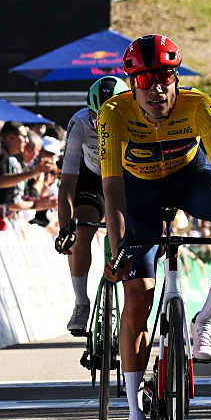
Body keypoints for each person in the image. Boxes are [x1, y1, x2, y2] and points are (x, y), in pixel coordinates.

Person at [98, 34, 211, 420]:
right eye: (144, 80)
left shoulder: (200, 107)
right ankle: (134, 416)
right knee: (137, 298)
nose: (155, 89)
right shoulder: (113, 113)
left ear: (176, 77)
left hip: (192, 181)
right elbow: (112, 193)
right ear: (131, 83)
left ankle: (203, 321)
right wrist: (117, 247)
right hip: (138, 195)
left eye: (164, 78)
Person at [55, 76, 131, 335]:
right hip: (92, 178)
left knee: (131, 234)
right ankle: (81, 303)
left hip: (126, 179)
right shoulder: (79, 123)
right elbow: (66, 184)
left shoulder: (138, 119)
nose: (102, 125)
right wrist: (65, 228)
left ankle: (132, 304)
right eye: (97, 119)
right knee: (81, 232)